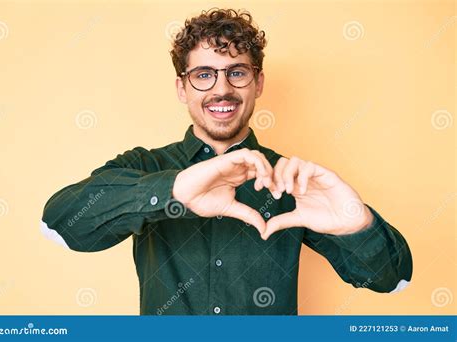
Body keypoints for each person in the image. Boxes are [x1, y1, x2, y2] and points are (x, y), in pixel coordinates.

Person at [41, 8, 413, 315]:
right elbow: (60, 224)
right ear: (181, 88)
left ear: (258, 83)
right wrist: (171, 189)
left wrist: (355, 222)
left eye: (237, 72)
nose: (221, 89)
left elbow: (392, 280)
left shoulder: (294, 182)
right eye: (203, 75)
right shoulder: (145, 166)